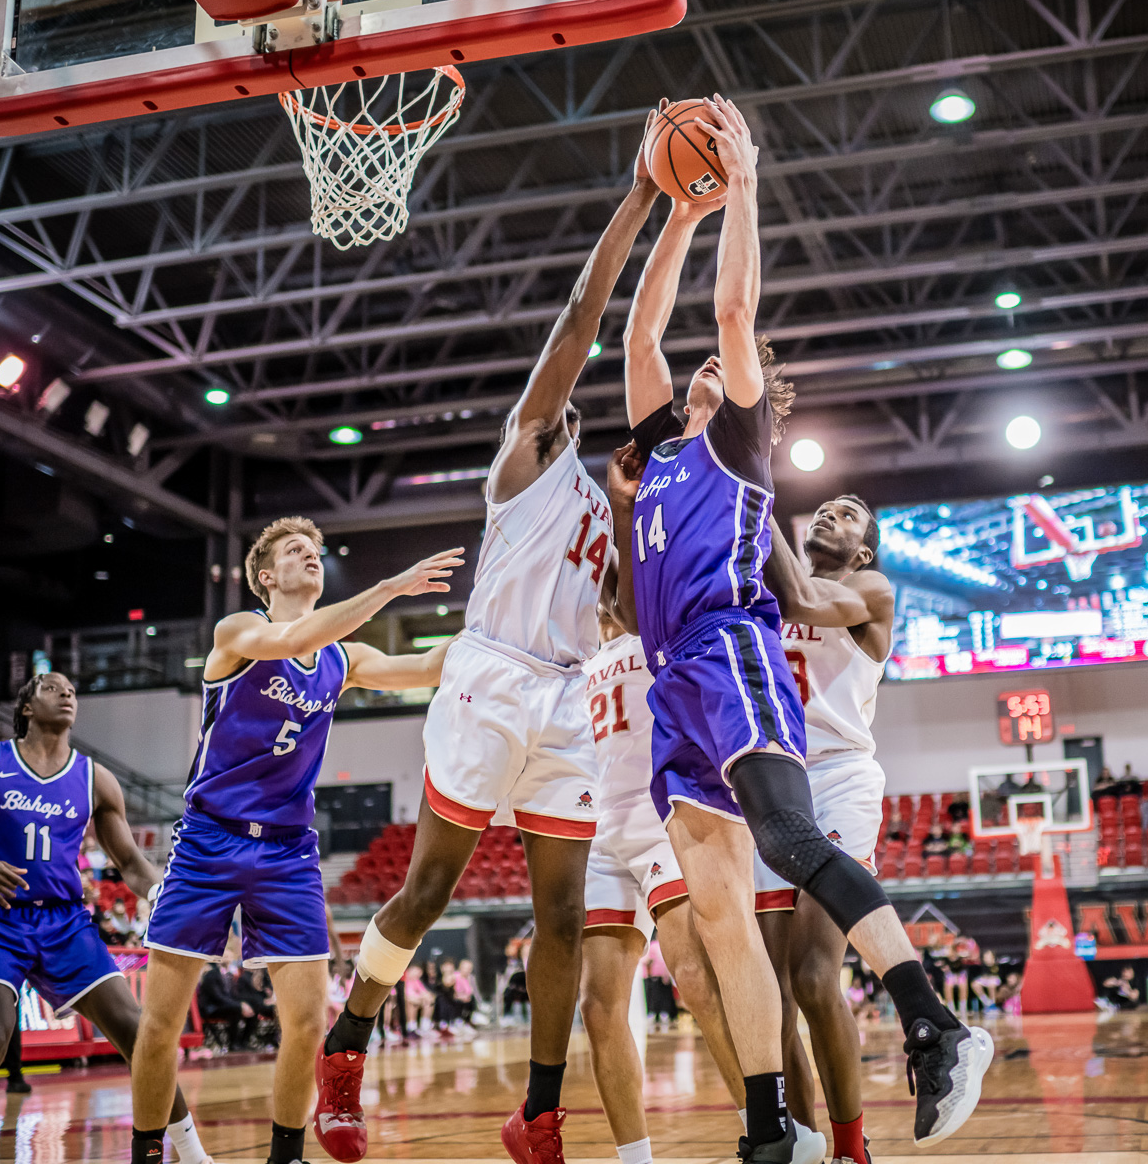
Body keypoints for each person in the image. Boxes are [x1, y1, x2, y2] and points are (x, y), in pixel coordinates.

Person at [607, 96, 987, 1159]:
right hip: (670, 679)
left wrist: (742, 187)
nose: (707, 363)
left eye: (731, 369)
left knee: (788, 838)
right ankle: (772, 1128)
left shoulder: (734, 444)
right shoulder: (659, 450)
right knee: (725, 914)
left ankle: (935, 1024)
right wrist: (674, 207)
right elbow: (641, 330)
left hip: (731, 650)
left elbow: (731, 316)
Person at [312, 119, 661, 1164]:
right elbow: (579, 317)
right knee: (427, 890)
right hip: (490, 678)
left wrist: (635, 515)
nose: (563, 404)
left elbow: (631, 626)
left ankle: (539, 1112)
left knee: (560, 919)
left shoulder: (609, 504)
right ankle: (348, 1043)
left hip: (569, 697)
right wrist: (643, 198)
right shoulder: (520, 462)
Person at [129, 522, 461, 1164]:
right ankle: (147, 1152)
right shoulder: (239, 634)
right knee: (162, 1022)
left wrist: (501, 615)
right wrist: (391, 587)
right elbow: (295, 637)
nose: (309, 557)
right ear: (265, 577)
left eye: (314, 552)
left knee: (308, 1021)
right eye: (293, 552)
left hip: (287, 852)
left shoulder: (343, 660)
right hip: (209, 840)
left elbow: (427, 667)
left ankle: (286, 1157)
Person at [0, 672, 213, 1164]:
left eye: (71, 689)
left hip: (66, 924)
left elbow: (132, 864)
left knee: (140, 1033)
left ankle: (193, 1154)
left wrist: (162, 893)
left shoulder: (95, 778)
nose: (67, 693)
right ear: (27, 708)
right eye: (53, 687)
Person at [578, 609, 769, 1164]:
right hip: (599, 829)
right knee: (597, 1005)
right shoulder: (579, 657)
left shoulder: (655, 632)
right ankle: (634, 1158)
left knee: (696, 977)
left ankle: (761, 1131)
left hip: (657, 813)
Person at [754, 497, 901, 1164]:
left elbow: (810, 605)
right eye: (820, 512)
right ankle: (803, 1144)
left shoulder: (870, 588)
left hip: (839, 779)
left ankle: (851, 1149)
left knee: (815, 977)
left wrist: (754, 505)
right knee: (773, 993)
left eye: (846, 516)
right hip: (771, 783)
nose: (827, 517)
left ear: (864, 549)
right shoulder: (764, 591)